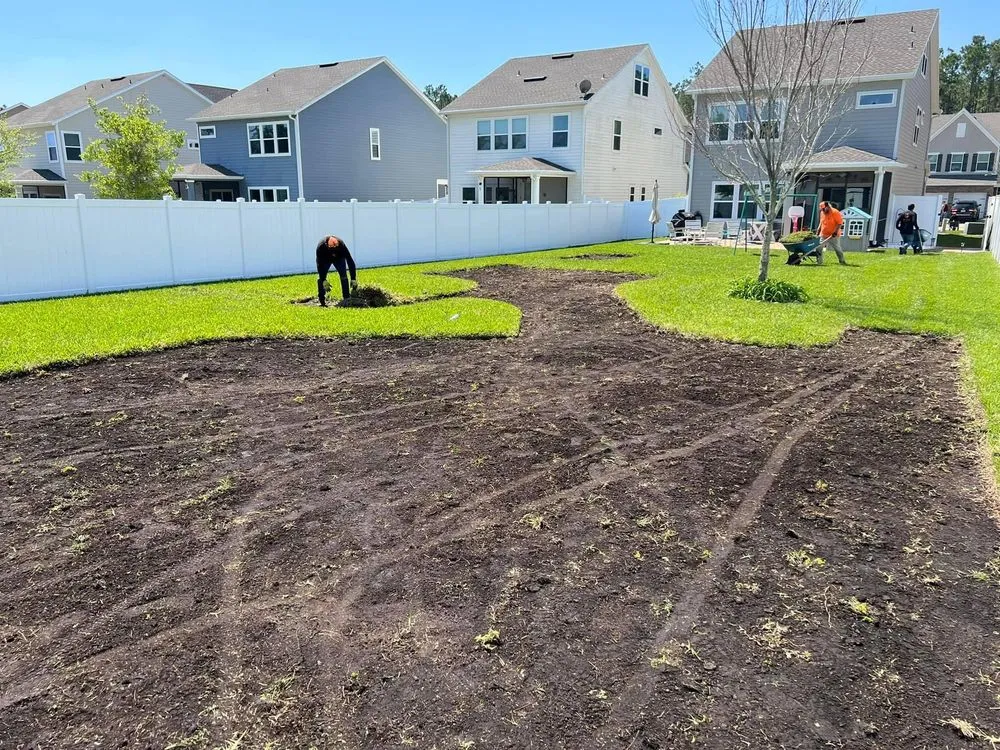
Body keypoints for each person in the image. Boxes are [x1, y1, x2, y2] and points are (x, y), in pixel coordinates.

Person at [316, 235, 357, 306]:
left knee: (344, 276)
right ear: (327, 245)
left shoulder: (341, 245)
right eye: (332, 247)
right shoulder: (321, 247)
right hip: (325, 259)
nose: (334, 248)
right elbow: (319, 264)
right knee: (321, 279)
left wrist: (353, 278)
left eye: (336, 246)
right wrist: (323, 280)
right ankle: (322, 301)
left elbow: (349, 260)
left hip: (339, 258)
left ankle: (346, 299)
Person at [816, 201, 847, 265]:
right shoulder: (822, 213)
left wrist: (835, 232)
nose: (823, 210)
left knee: (837, 248)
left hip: (833, 235)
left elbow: (839, 223)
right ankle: (819, 262)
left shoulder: (835, 212)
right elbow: (821, 222)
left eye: (824, 209)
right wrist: (818, 230)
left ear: (828, 206)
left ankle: (842, 261)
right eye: (822, 209)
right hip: (823, 234)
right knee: (818, 247)